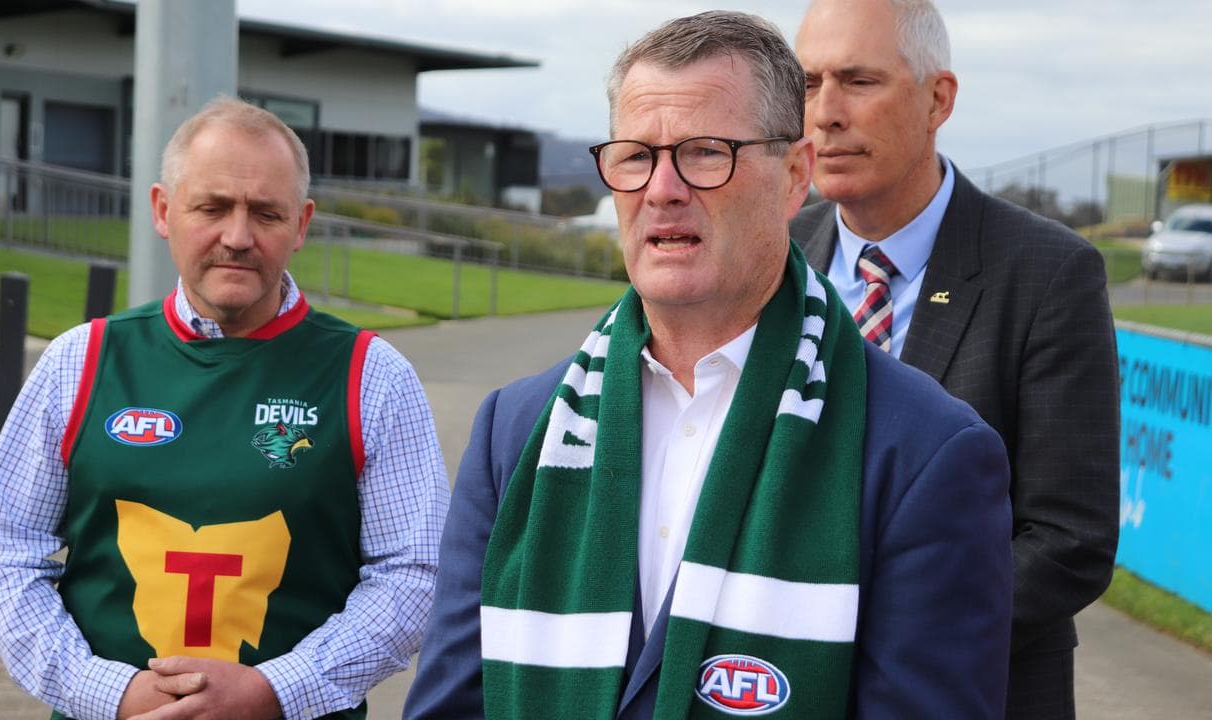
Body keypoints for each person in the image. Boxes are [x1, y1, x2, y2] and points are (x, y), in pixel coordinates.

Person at [404, 11, 1012, 720]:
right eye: (636, 155)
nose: (662, 188)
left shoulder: (926, 454)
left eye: (704, 152)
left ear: (793, 177)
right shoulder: (513, 432)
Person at [0, 96, 449, 720]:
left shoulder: (372, 376)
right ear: (164, 210)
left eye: (266, 213)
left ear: (301, 224)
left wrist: (275, 691)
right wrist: (107, 692)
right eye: (212, 208)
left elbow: (416, 575)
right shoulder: (79, 360)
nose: (237, 237)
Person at [791, 1, 1120, 717]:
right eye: (808, 83)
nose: (825, 114)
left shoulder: (1049, 273)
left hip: (973, 688)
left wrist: (879, 638)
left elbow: (1070, 539)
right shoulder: (774, 258)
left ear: (938, 98)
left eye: (857, 81)